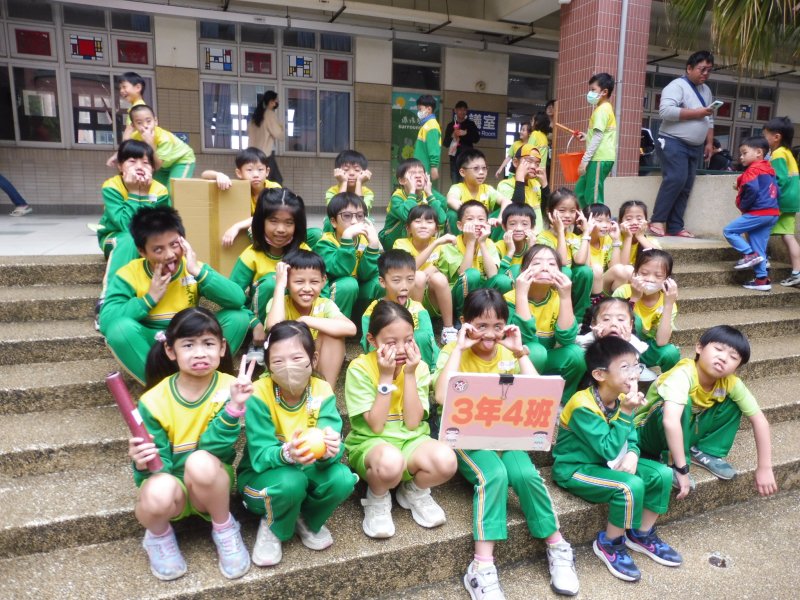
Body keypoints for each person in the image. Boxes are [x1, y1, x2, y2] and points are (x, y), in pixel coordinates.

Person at [433, 289, 580, 598]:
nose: (489, 334)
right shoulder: (453, 351)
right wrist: (459, 348)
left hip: (506, 434)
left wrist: (519, 353)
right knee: (495, 475)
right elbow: (442, 396)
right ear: (465, 323)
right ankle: (481, 566)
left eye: (497, 326)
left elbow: (541, 396)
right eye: (481, 326)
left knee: (526, 474)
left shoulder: (506, 352)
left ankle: (556, 544)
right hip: (468, 438)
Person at [128, 307, 252, 581]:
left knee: (201, 461)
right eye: (188, 345)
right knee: (157, 491)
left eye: (208, 343)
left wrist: (233, 408)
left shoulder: (233, 388)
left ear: (222, 348)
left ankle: (224, 528)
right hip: (173, 489)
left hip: (210, 487)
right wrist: (142, 461)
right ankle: (158, 537)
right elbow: (157, 470)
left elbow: (216, 450)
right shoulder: (153, 400)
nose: (199, 353)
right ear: (170, 351)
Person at [553, 337, 681, 583]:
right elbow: (609, 448)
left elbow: (631, 436)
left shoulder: (621, 398)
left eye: (636, 366)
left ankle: (641, 534)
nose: (633, 374)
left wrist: (633, 452)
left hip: (608, 464)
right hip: (577, 469)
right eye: (625, 367)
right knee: (628, 486)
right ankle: (610, 543)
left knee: (662, 474)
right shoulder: (582, 405)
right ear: (600, 374)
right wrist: (627, 412)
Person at [237, 320, 357, 567]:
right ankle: (273, 525)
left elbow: (331, 435)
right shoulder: (259, 393)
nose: (288, 367)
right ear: (268, 364)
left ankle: (304, 518)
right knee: (291, 482)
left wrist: (331, 450)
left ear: (313, 359)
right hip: (263, 480)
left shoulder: (321, 390)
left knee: (342, 478)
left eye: (296, 358)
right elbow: (260, 455)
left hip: (305, 471)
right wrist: (286, 454)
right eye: (278, 361)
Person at [344, 301, 457, 539]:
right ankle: (377, 497)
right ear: (372, 340)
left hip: (411, 441)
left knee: (447, 461)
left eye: (408, 340)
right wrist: (386, 377)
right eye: (391, 342)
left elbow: (413, 422)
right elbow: (376, 425)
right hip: (372, 445)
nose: (402, 349)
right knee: (390, 462)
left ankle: (413, 490)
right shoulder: (359, 368)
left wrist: (410, 374)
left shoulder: (419, 367)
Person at [100, 207, 250, 384]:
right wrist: (148, 300)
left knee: (238, 317)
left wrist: (199, 273)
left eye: (174, 244)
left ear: (183, 241)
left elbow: (237, 299)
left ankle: (207, 381)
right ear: (142, 251)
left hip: (191, 338)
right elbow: (107, 321)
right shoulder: (129, 274)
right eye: (158, 249)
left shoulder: (192, 267)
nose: (170, 255)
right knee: (119, 330)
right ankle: (159, 387)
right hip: (153, 344)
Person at [636, 325, 778, 499]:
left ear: (737, 367)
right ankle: (671, 461)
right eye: (718, 349)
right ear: (699, 348)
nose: (723, 358)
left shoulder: (730, 382)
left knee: (733, 403)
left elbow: (759, 420)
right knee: (682, 405)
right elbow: (670, 421)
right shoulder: (683, 374)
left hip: (683, 431)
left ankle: (705, 450)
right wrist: (682, 468)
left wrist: (764, 467)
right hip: (645, 434)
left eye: (733, 357)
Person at [229, 187, 309, 362]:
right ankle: (260, 343)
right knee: (272, 283)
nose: (281, 229)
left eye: (289, 223)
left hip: (296, 320)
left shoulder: (304, 253)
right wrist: (255, 324)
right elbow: (232, 297)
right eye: (273, 221)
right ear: (261, 221)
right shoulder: (250, 256)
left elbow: (319, 290)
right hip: (260, 322)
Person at [96, 140, 170, 326]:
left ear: (152, 168)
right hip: (114, 237)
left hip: (147, 240)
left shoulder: (160, 190)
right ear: (120, 166)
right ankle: (108, 302)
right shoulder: (112, 186)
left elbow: (162, 224)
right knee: (130, 238)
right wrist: (136, 193)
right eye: (131, 161)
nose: (139, 167)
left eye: (145, 162)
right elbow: (124, 224)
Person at [507, 245, 586, 404]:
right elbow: (525, 340)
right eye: (536, 263)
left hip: (547, 358)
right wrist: (521, 294)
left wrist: (565, 297)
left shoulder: (559, 297)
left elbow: (566, 339)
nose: (544, 268)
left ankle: (560, 404)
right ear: (523, 271)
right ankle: (522, 400)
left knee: (576, 354)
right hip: (515, 360)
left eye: (551, 264)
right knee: (537, 352)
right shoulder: (508, 299)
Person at [649, 51, 716, 238]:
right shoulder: (676, 86)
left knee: (686, 185)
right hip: (672, 140)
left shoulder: (706, 90)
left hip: (695, 146)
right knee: (676, 178)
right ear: (689, 68)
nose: (705, 74)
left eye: (709, 70)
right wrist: (697, 113)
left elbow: (709, 119)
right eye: (702, 69)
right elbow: (665, 111)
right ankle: (657, 220)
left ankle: (675, 226)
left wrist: (709, 143)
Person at [266, 250, 356, 388]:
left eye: (314, 282)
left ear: (323, 281)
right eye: (299, 281)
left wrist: (305, 320)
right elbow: (274, 327)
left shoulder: (325, 305)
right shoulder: (278, 303)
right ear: (287, 282)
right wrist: (279, 286)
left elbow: (350, 328)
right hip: (287, 366)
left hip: (317, 364)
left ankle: (326, 393)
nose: (307, 288)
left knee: (333, 335)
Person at [361, 249, 439, 370]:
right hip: (385, 367)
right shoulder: (372, 312)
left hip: (417, 368)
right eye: (396, 280)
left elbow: (430, 343)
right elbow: (370, 346)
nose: (404, 287)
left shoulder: (418, 309)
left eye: (410, 279)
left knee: (422, 336)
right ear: (382, 282)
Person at [434, 200, 512, 320]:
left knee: (503, 281)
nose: (476, 223)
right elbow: (464, 274)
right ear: (460, 225)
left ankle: (496, 318)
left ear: (487, 223)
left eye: (481, 219)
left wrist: (482, 243)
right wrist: (471, 242)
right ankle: (463, 319)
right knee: (472, 275)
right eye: (470, 219)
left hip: (482, 294)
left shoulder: (489, 243)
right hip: (457, 298)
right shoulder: (450, 245)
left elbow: (492, 275)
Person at [394, 205, 458, 344]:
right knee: (418, 276)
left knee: (439, 278)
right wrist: (434, 244)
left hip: (432, 299)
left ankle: (448, 329)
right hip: (408, 297)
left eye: (429, 222)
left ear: (436, 229)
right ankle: (414, 323)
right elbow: (406, 270)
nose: (423, 226)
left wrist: (434, 270)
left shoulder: (443, 247)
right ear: (408, 228)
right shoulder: (400, 244)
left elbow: (447, 276)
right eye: (418, 221)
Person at [723, 136, 779, 292]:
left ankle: (749, 254)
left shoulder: (752, 170)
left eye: (744, 153)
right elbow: (777, 190)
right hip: (772, 213)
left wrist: (743, 205)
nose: (741, 157)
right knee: (759, 247)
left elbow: (752, 189)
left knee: (729, 231)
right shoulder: (770, 170)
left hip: (758, 212)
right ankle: (762, 280)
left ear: (759, 152)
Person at [314, 192, 382, 320]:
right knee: (349, 284)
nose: (355, 221)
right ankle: (337, 328)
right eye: (347, 216)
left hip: (358, 290)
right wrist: (347, 239)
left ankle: (370, 326)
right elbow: (341, 270)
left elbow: (366, 274)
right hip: (336, 293)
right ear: (333, 222)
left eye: (360, 216)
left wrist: (373, 244)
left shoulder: (364, 240)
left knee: (380, 283)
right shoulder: (325, 243)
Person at [611, 249, 680, 373]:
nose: (650, 279)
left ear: (667, 279)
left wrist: (668, 304)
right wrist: (634, 298)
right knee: (635, 320)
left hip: (646, 349)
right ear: (635, 273)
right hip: (619, 348)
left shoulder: (668, 302)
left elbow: (661, 341)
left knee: (671, 353)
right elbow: (613, 326)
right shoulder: (623, 291)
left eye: (658, 276)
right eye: (644, 273)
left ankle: (664, 381)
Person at [201, 147, 282, 247]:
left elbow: (264, 215)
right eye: (249, 170)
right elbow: (204, 174)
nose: (256, 174)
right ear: (239, 173)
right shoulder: (239, 189)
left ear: (267, 171)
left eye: (260, 169)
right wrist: (219, 175)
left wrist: (236, 227)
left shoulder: (274, 188)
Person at [537, 188, 593, 324]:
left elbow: (581, 261)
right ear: (549, 212)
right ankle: (559, 315)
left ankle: (580, 319)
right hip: (549, 281)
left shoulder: (574, 237)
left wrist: (586, 233)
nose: (568, 215)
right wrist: (561, 232)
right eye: (562, 211)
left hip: (569, 284)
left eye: (572, 211)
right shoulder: (543, 237)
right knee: (565, 271)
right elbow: (560, 262)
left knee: (585, 272)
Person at [380, 158, 447, 251]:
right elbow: (407, 217)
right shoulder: (397, 197)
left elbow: (441, 220)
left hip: (416, 239)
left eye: (421, 173)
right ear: (402, 181)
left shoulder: (428, 193)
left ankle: (423, 249)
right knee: (410, 222)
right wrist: (412, 191)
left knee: (430, 222)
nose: (418, 176)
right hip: (392, 239)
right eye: (412, 173)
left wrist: (429, 194)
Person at [763, 117, 800, 286]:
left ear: (776, 137)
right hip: (792, 201)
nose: (764, 139)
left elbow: (779, 179)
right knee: (788, 236)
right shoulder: (789, 153)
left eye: (765, 135)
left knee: (755, 228)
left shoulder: (777, 154)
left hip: (780, 200)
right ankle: (797, 272)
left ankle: (762, 262)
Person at [127, 105, 196, 191]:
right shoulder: (134, 137)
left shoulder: (164, 139)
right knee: (155, 191)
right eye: (139, 123)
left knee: (174, 192)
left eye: (148, 121)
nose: (145, 126)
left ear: (155, 121)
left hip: (181, 160)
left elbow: (157, 166)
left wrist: (151, 143)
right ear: (133, 126)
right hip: (163, 165)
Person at [575, 73, 617, 208]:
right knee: (580, 192)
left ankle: (597, 220)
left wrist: (584, 160)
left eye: (593, 90)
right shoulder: (604, 108)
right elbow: (600, 134)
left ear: (604, 92)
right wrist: (587, 137)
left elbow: (598, 136)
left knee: (593, 197)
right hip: (597, 158)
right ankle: (585, 218)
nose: (590, 93)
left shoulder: (602, 110)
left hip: (599, 158)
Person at [446, 149, 505, 236]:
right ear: (462, 172)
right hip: (466, 228)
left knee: (505, 212)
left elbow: (506, 201)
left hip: (483, 227)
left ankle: (494, 242)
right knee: (452, 214)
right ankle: (458, 241)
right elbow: (451, 200)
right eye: (476, 168)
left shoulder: (487, 189)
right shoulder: (457, 188)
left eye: (484, 168)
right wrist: (473, 217)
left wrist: (500, 218)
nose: (481, 172)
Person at [321, 149, 375, 242]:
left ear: (364, 172)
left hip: (358, 228)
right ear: (337, 171)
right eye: (346, 170)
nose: (352, 173)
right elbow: (335, 211)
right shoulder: (331, 191)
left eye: (357, 170)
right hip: (338, 230)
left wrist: (359, 182)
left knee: (369, 220)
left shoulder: (368, 193)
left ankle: (362, 243)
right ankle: (332, 242)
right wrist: (343, 182)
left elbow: (361, 212)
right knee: (328, 221)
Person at [571, 203, 622, 296]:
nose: (605, 225)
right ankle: (596, 302)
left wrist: (616, 241)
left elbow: (615, 268)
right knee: (596, 269)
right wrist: (587, 234)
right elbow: (586, 268)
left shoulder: (608, 239)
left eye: (608, 221)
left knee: (626, 270)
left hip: (602, 283)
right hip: (584, 286)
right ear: (584, 222)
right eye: (599, 221)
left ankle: (616, 302)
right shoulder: (577, 240)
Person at [496, 144, 549, 230]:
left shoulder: (535, 184)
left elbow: (546, 208)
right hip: (518, 234)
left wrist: (545, 184)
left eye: (537, 164)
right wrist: (520, 177)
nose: (534, 166)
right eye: (529, 161)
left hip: (537, 235)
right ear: (515, 162)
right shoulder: (505, 185)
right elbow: (516, 211)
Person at [247, 91, 284, 184]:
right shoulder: (269, 114)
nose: (277, 102)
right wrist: (281, 127)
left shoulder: (256, 116)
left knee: (264, 181)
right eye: (276, 100)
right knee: (275, 181)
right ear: (271, 102)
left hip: (253, 154)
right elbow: (279, 134)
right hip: (266, 154)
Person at [495, 203, 537, 279]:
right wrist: (510, 251)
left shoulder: (536, 246)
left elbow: (535, 274)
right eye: (512, 224)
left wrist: (531, 250)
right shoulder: (497, 247)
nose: (518, 228)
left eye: (524, 224)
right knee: (515, 269)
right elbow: (498, 279)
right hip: (505, 285)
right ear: (504, 227)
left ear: (532, 227)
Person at [443, 100, 480, 184]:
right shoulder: (451, 125)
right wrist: (452, 135)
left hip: (467, 158)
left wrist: (465, 134)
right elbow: (445, 143)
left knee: (466, 182)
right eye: (460, 109)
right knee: (455, 182)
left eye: (464, 110)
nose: (462, 112)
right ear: (455, 110)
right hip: (454, 158)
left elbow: (476, 139)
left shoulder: (470, 124)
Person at [414, 94, 442, 181]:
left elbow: (434, 148)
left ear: (429, 109)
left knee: (427, 188)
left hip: (425, 169)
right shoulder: (427, 125)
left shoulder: (431, 126)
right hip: (422, 168)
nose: (418, 112)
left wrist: (434, 167)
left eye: (420, 109)